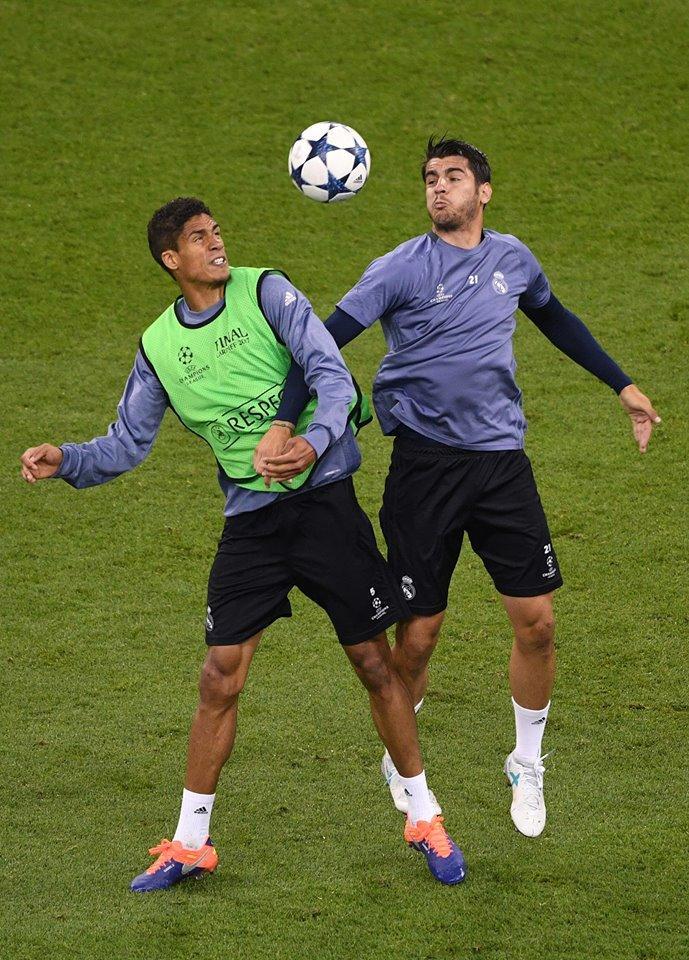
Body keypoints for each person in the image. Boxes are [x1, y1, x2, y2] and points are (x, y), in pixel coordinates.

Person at [19, 197, 467, 889]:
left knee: (374, 665)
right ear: (172, 259)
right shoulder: (159, 346)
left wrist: (309, 442)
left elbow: (331, 376)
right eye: (199, 238)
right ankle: (190, 842)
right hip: (252, 524)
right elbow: (126, 442)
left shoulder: (267, 292)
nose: (216, 243)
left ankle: (424, 816)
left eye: (217, 231)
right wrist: (68, 461)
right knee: (218, 675)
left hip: (325, 508)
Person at [259, 137, 661, 839]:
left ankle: (526, 760)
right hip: (425, 469)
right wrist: (284, 421)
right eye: (428, 179)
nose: (438, 187)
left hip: (502, 465)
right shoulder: (399, 268)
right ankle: (403, 757)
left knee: (537, 622)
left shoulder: (513, 259)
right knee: (418, 635)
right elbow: (318, 344)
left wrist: (621, 386)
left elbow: (555, 318)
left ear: (483, 191)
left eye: (451, 176)